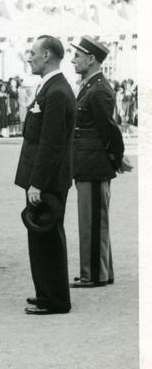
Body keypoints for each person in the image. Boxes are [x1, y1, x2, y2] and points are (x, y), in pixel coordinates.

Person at [16, 35, 76, 315]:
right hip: (45, 179)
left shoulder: (56, 91)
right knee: (41, 238)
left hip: (47, 181)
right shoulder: (51, 87)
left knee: (47, 238)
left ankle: (54, 300)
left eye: (33, 52)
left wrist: (37, 183)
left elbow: (51, 144)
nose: (29, 57)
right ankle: (46, 292)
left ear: (48, 55)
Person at [69, 36, 131, 288]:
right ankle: (102, 271)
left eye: (77, 56)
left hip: (94, 163)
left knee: (92, 221)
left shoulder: (98, 89)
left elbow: (109, 129)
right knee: (95, 219)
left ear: (91, 59)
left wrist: (117, 158)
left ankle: (93, 275)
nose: (73, 60)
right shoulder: (90, 86)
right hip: (88, 161)